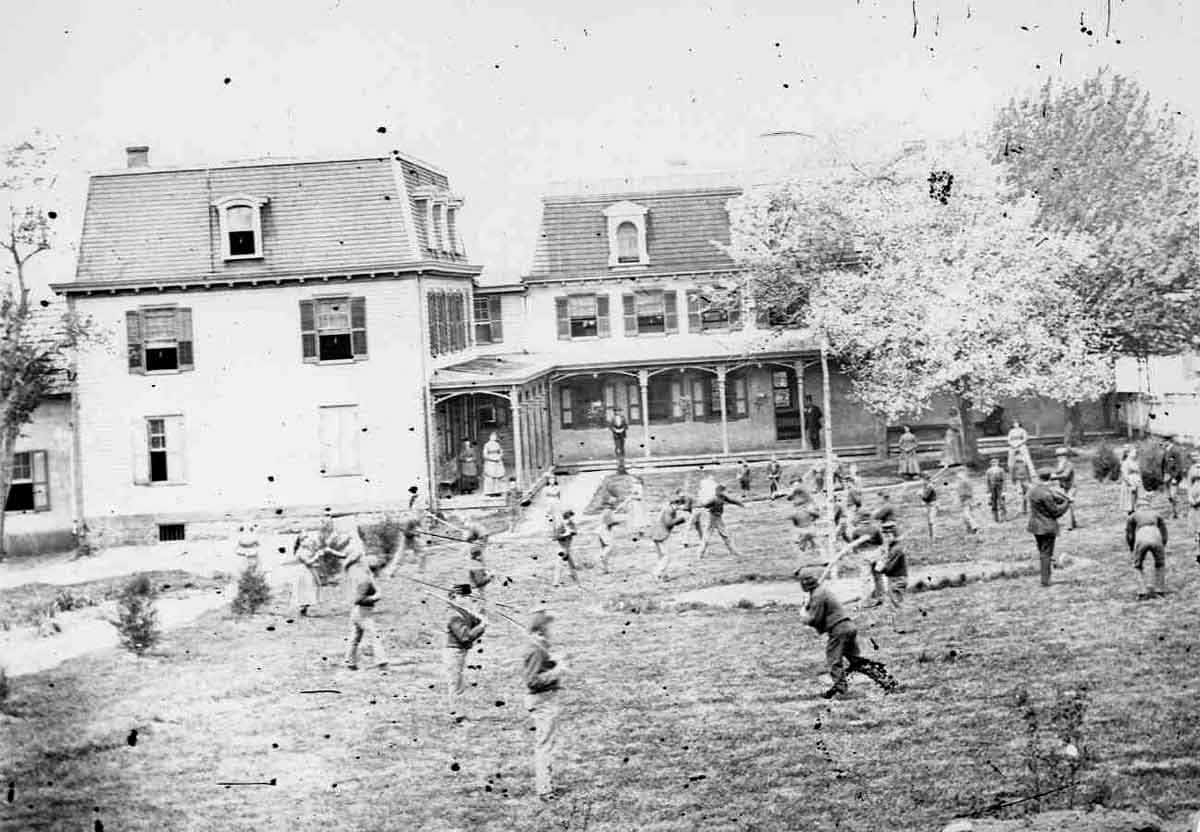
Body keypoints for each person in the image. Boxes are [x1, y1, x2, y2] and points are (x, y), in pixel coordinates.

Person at [798, 568, 898, 699]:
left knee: (834, 660)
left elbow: (814, 619)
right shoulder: (821, 592)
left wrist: (803, 613)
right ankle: (885, 680)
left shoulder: (817, 595)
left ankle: (841, 691)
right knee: (856, 661)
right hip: (848, 627)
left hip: (839, 630)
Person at [524, 609, 564, 800]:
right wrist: (557, 671)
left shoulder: (540, 647)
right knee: (545, 745)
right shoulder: (535, 650)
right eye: (549, 627)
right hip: (543, 701)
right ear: (541, 630)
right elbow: (532, 681)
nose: (553, 631)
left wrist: (554, 662)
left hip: (546, 700)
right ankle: (545, 790)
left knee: (547, 743)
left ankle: (547, 784)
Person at [444, 584, 488, 719]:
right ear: (455, 597)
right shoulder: (454, 615)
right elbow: (465, 637)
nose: (467, 599)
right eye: (463, 596)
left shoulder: (464, 612)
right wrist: (481, 626)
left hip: (461, 652)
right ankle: (457, 715)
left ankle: (458, 713)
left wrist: (480, 618)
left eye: (468, 596)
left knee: (459, 683)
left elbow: (474, 626)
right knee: (456, 684)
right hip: (454, 652)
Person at [343, 544, 389, 670]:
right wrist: (375, 597)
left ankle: (350, 662)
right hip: (363, 613)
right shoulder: (364, 580)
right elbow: (358, 599)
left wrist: (377, 590)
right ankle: (382, 662)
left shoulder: (365, 576)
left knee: (355, 637)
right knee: (375, 635)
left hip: (359, 613)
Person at [1027, 469, 1073, 587]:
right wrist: (1067, 503)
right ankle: (1046, 580)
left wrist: (1059, 499)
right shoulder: (1047, 493)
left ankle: (1046, 574)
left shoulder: (1033, 491)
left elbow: (1048, 499)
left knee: (1042, 552)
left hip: (1035, 526)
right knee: (1046, 553)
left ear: (1039, 477)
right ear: (1050, 478)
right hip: (1047, 527)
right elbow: (1056, 512)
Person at [1125, 495, 1168, 600]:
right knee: (1160, 564)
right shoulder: (1157, 514)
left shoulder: (1133, 516)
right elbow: (1164, 532)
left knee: (1137, 565)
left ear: (1137, 506)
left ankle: (1142, 592)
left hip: (1141, 535)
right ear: (1149, 505)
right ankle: (1160, 590)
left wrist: (1131, 547)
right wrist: (1163, 544)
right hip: (1156, 535)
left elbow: (1129, 534)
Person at [866, 521, 908, 614]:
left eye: (889, 536)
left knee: (896, 605)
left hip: (897, 579)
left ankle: (901, 626)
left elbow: (889, 567)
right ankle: (898, 626)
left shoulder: (896, 549)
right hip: (894, 579)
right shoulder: (892, 547)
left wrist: (878, 566)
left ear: (895, 536)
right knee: (894, 604)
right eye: (885, 536)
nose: (886, 539)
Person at [699, 484, 744, 559]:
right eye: (722, 491)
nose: (724, 492)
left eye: (723, 491)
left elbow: (731, 500)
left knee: (725, 535)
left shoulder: (723, 497)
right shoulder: (713, 499)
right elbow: (705, 505)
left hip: (718, 518)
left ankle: (734, 552)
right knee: (707, 536)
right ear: (718, 491)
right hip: (712, 518)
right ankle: (701, 553)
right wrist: (701, 503)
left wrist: (739, 503)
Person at [650, 496, 688, 582]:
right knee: (666, 556)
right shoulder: (669, 510)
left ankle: (663, 575)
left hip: (657, 533)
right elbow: (669, 523)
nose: (681, 507)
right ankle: (657, 573)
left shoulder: (668, 509)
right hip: (662, 535)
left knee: (661, 556)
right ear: (675, 504)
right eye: (680, 505)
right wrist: (681, 519)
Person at [289, 530, 323, 617]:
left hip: (308, 571)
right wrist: (317, 556)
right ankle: (302, 609)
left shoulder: (307, 550)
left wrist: (316, 561)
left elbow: (310, 562)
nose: (307, 540)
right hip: (303, 572)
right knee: (304, 590)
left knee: (309, 589)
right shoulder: (300, 551)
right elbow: (308, 562)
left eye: (307, 537)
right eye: (304, 538)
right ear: (300, 541)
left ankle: (304, 609)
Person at [387, 511, 425, 576]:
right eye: (420, 514)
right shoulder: (409, 521)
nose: (421, 516)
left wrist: (419, 533)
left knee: (422, 553)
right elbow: (406, 533)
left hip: (414, 539)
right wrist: (415, 533)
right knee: (399, 557)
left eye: (421, 515)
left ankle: (421, 571)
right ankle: (392, 572)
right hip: (406, 540)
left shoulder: (418, 520)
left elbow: (419, 530)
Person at [1050, 447, 1078, 530]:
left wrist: (1054, 477)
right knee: (1068, 504)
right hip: (1065, 487)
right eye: (1058, 456)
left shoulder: (1069, 464)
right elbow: (1057, 471)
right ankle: (1073, 522)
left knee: (1067, 504)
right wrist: (1050, 474)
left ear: (1065, 456)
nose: (1059, 458)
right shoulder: (1061, 464)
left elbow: (1066, 475)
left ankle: (1069, 525)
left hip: (1072, 486)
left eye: (1061, 456)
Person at [550, 509, 579, 588]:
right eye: (568, 516)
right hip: (561, 548)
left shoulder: (571, 524)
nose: (570, 518)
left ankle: (577, 584)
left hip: (567, 549)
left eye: (570, 516)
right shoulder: (560, 524)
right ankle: (555, 582)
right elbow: (555, 537)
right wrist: (565, 535)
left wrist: (572, 532)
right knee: (559, 565)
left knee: (572, 566)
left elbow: (575, 532)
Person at [1160, 435, 1186, 520]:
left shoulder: (1175, 450)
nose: (1162, 443)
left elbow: (1179, 465)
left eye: (1163, 442)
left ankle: (1179, 513)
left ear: (1168, 441)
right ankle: (1174, 512)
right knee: (1169, 496)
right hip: (1167, 476)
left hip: (1174, 476)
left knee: (1174, 495)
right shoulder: (1166, 450)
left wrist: (1175, 478)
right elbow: (1163, 465)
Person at [465, 525, 493, 599]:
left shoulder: (476, 544)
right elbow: (477, 556)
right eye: (485, 537)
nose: (487, 539)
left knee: (477, 588)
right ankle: (457, 591)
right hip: (476, 567)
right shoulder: (477, 545)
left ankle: (480, 600)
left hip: (474, 566)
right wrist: (490, 576)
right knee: (480, 586)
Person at [597, 496, 621, 573]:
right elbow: (609, 523)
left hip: (601, 530)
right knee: (609, 547)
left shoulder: (606, 511)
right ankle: (601, 558)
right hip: (605, 530)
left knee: (604, 548)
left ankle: (605, 569)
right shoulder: (608, 511)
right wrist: (617, 522)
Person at [955, 469, 980, 535]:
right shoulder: (961, 482)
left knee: (967, 515)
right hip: (964, 500)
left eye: (959, 474)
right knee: (965, 516)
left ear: (963, 474)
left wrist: (964, 497)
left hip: (967, 500)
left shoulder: (966, 481)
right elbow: (959, 492)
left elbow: (969, 492)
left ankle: (975, 526)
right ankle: (970, 530)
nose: (958, 476)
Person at [1119, 445, 1142, 515]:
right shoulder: (1126, 462)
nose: (1135, 454)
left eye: (1136, 452)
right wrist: (1130, 485)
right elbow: (1124, 476)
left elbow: (1138, 471)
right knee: (1130, 499)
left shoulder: (1135, 462)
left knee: (1136, 499)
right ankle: (1131, 513)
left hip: (1136, 481)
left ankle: (1135, 512)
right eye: (1133, 452)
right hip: (1130, 483)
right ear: (1128, 453)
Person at [985, 458, 1008, 523]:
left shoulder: (1001, 470)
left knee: (1002, 503)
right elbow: (987, 482)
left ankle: (1004, 517)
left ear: (998, 463)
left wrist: (1004, 491)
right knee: (993, 503)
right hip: (992, 488)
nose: (994, 464)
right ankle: (996, 518)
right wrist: (988, 492)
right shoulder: (988, 471)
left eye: (995, 462)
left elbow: (1004, 480)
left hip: (1000, 487)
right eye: (992, 463)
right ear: (991, 464)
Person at [1187, 451, 1200, 562]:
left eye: (1197, 455)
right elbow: (1189, 483)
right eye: (1193, 456)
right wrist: (1190, 497)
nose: (1195, 458)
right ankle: (1198, 550)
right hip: (1194, 497)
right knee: (1197, 526)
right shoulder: (1192, 468)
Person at [919, 472, 938, 541]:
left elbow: (925, 497)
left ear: (924, 479)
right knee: (929, 522)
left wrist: (920, 494)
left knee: (931, 522)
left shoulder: (929, 486)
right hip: (928, 505)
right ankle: (931, 536)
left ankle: (933, 537)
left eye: (921, 479)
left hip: (932, 505)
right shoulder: (926, 485)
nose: (921, 481)